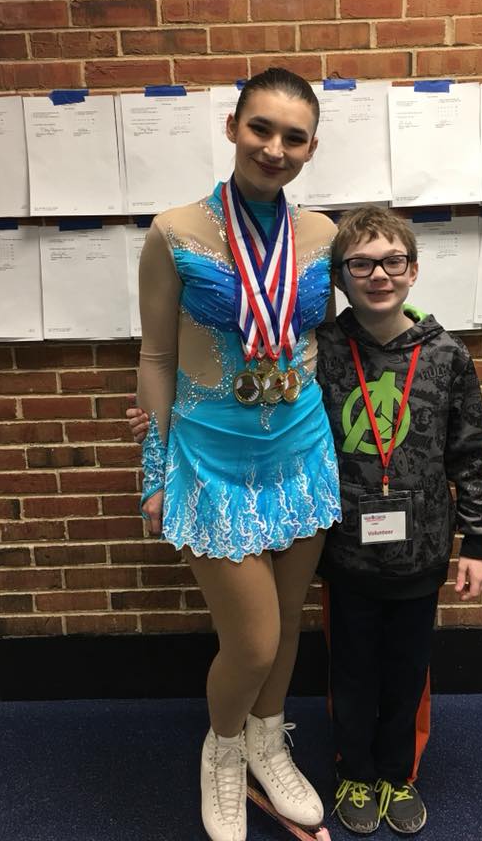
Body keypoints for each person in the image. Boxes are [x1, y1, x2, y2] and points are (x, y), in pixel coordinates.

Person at [135, 67, 342, 841]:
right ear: (232, 127)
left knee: (286, 625)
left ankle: (267, 741)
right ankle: (221, 753)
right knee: (250, 639)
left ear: (311, 147)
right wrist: (153, 472)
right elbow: (156, 357)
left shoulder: (322, 236)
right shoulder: (174, 230)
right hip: (210, 458)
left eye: (294, 137)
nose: (275, 148)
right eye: (262, 128)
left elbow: (331, 333)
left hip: (301, 452)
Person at [316, 205, 482, 835]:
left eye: (392, 261)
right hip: (346, 552)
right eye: (360, 263)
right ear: (342, 276)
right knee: (352, 668)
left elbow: (470, 454)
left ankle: (397, 775)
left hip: (422, 551)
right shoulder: (322, 352)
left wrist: (477, 540)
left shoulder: (447, 356)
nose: (378, 274)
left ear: (413, 270)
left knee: (406, 670)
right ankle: (354, 773)